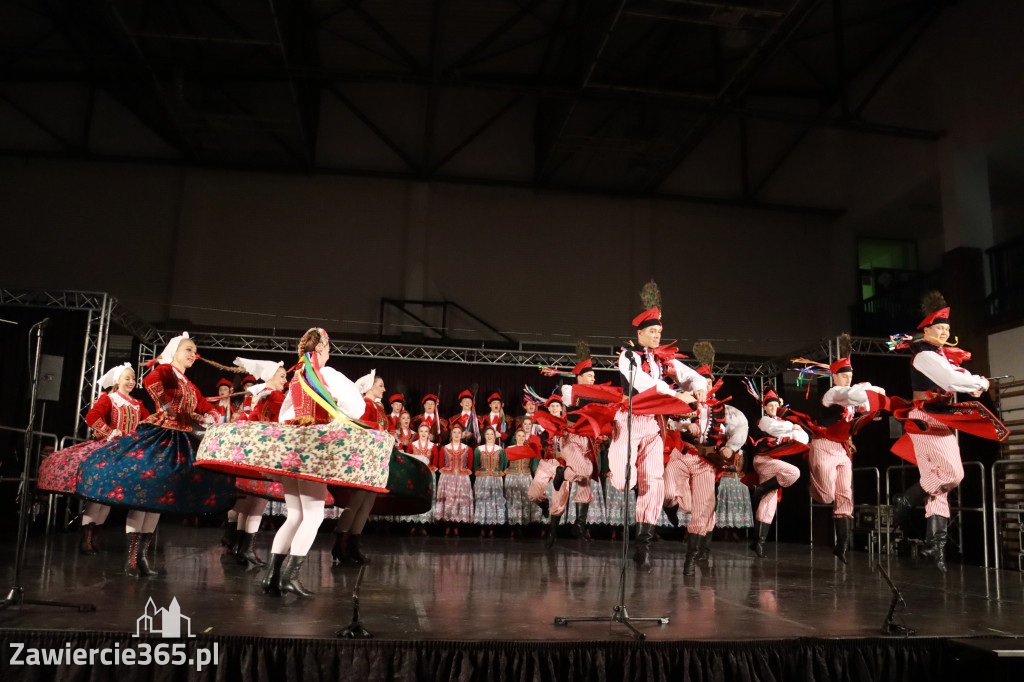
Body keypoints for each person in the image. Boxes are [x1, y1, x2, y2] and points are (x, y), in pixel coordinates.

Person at [76, 333, 237, 577]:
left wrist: (207, 415)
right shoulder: (167, 370)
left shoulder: (188, 382)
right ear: (175, 352)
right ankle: (131, 560)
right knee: (144, 498)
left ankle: (141, 558)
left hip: (180, 439)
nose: (193, 354)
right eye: (188, 349)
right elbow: (152, 378)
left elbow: (204, 404)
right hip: (162, 436)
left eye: (195, 350)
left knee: (157, 501)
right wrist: (164, 404)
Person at [890, 292, 1008, 571]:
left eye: (947, 329)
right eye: (939, 328)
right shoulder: (924, 356)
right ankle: (905, 498)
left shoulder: (940, 356)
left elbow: (959, 377)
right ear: (926, 329)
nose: (944, 332)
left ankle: (935, 546)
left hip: (939, 417)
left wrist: (976, 383)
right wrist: (978, 381)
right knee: (953, 475)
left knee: (939, 484)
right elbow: (953, 379)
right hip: (926, 418)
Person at [612, 283, 708, 571]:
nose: (657, 335)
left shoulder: (664, 360)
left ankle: (643, 544)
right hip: (630, 418)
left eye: (659, 332)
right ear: (639, 333)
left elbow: (692, 376)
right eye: (652, 331)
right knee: (622, 478)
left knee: (652, 482)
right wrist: (673, 392)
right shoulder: (628, 355)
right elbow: (643, 383)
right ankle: (629, 490)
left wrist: (699, 388)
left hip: (653, 424)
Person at [784, 334, 887, 564]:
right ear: (834, 376)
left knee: (844, 494)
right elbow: (853, 395)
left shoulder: (851, 395)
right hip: (822, 445)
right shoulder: (833, 393)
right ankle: (813, 486)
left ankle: (842, 546)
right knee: (826, 495)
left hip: (842, 448)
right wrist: (871, 388)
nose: (848, 379)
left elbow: (867, 407)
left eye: (850, 375)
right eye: (844, 375)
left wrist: (873, 405)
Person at [38, 363, 149, 555]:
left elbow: (149, 422)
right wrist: (110, 432)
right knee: (97, 496)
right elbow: (92, 417)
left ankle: (94, 539)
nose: (131, 382)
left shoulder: (138, 404)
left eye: (132, 378)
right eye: (127, 378)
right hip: (107, 451)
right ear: (117, 381)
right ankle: (86, 541)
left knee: (106, 499)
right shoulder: (110, 399)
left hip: (125, 453)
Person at [226, 357, 289, 567]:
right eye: (282, 376)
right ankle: (246, 549)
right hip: (267, 456)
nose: (285, 380)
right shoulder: (275, 395)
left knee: (250, 503)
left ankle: (241, 547)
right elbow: (288, 417)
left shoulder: (262, 395)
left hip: (257, 454)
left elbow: (252, 420)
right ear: (271, 376)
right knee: (258, 504)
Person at [331, 372, 387, 565]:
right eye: (380, 385)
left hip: (376, 460)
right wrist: (379, 431)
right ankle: (341, 544)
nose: (384, 389)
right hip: (365, 459)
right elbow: (360, 426)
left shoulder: (378, 407)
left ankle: (353, 545)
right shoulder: (364, 405)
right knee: (357, 502)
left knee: (367, 505)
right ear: (370, 387)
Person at [747, 390, 807, 558]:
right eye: (770, 405)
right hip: (763, 460)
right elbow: (776, 428)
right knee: (794, 472)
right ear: (765, 407)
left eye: (775, 405)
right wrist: (792, 427)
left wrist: (795, 430)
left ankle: (758, 542)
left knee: (769, 502)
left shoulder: (783, 422)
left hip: (773, 464)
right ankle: (760, 488)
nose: (773, 408)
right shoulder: (764, 421)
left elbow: (803, 438)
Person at [433, 423, 474, 535]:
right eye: (454, 432)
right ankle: (447, 525)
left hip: (462, 478)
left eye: (459, 433)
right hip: (448, 477)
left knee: (459, 501)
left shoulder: (468, 449)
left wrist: (461, 472)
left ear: (462, 435)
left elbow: (469, 465)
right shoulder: (444, 448)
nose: (456, 435)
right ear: (451, 434)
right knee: (449, 501)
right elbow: (441, 464)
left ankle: (457, 526)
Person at [472, 426, 508, 535]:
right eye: (487, 434)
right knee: (482, 500)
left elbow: (504, 464)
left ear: (495, 436)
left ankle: (492, 526)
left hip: (496, 479)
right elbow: (475, 465)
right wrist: (477, 472)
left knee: (494, 502)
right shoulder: (479, 449)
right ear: (484, 436)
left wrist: (502, 472)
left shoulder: (500, 450)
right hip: (482, 479)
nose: (489, 436)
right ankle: (482, 527)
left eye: (491, 434)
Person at [503, 428, 539, 532]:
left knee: (525, 501)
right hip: (513, 476)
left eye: (523, 436)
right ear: (515, 437)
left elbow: (533, 465)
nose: (521, 438)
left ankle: (524, 525)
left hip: (526, 477)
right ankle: (513, 525)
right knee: (513, 501)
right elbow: (505, 464)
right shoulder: (509, 449)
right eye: (519, 436)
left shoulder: (530, 449)